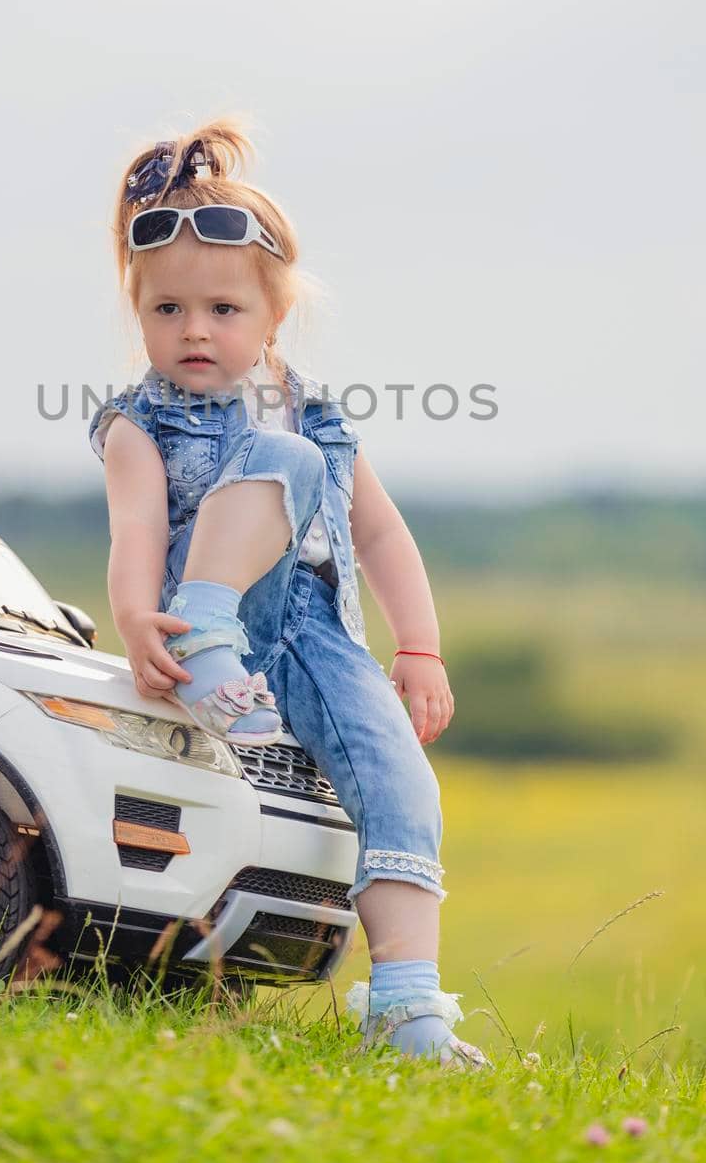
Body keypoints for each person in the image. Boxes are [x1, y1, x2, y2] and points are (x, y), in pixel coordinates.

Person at [88, 119, 490, 1070]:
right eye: (166, 310)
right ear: (138, 311)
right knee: (279, 460)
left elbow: (379, 531)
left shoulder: (314, 419)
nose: (193, 330)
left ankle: (405, 1008)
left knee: (402, 788)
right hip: (206, 622)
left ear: (273, 317)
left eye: (222, 309)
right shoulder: (136, 424)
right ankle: (207, 640)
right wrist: (144, 618)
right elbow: (135, 528)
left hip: (317, 639)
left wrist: (419, 644)